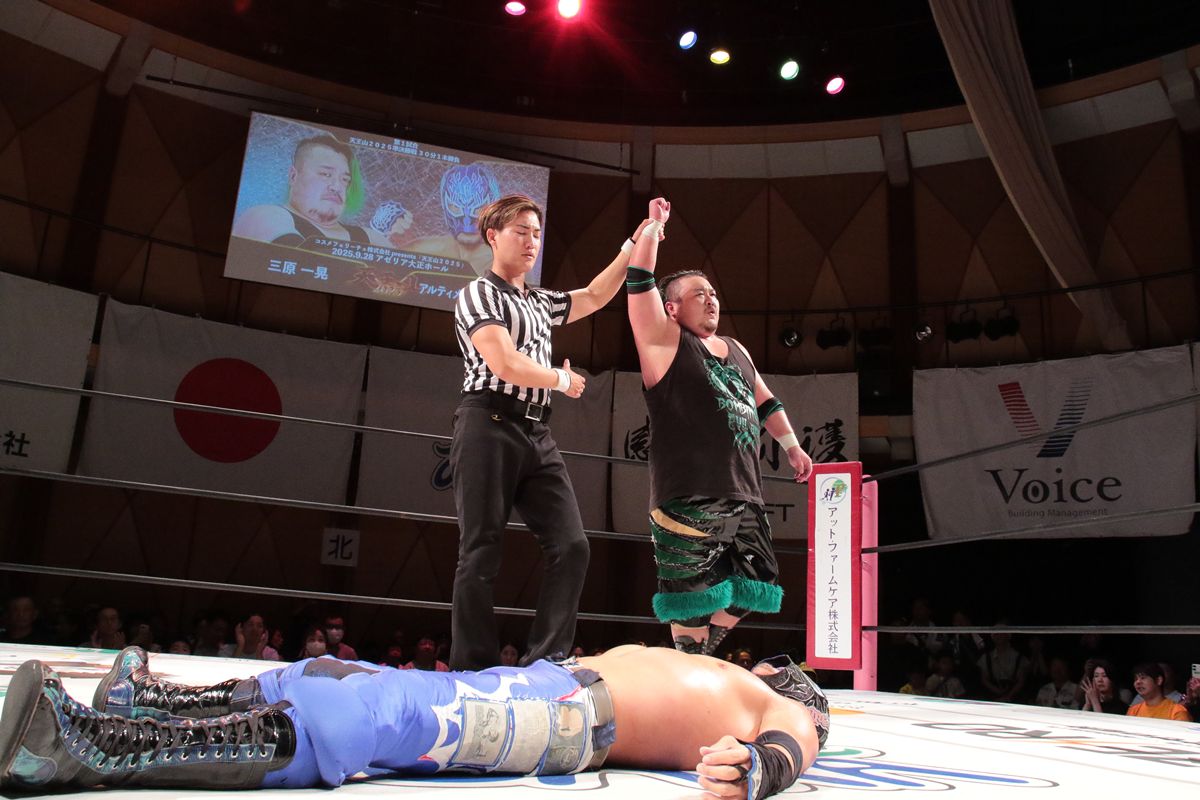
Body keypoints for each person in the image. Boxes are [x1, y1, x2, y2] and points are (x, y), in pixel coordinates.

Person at [0, 645, 827, 799]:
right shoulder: (727, 673)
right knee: (329, 675)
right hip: (548, 687)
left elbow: (791, 750)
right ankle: (150, 704)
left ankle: (89, 750)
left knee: (366, 715)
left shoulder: (784, 703)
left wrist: (756, 768)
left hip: (574, 720)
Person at [449, 195, 664, 671]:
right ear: (492, 237)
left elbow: (595, 295)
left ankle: (546, 659)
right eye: (520, 231)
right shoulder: (478, 294)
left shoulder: (539, 301)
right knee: (480, 549)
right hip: (488, 422)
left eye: (536, 233)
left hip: (535, 430)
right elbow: (503, 362)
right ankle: (472, 667)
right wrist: (560, 378)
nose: (531, 242)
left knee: (572, 545)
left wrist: (635, 242)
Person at [623, 200, 813, 655]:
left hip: (744, 490)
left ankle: (705, 651)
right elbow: (639, 281)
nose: (711, 299)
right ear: (671, 308)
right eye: (698, 294)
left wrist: (791, 446)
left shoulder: (736, 348)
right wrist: (653, 229)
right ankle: (689, 663)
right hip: (688, 492)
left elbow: (765, 400)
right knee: (689, 599)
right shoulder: (663, 342)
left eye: (713, 293)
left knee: (758, 581)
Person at [232, 135, 412, 249]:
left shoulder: (369, 236)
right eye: (326, 174)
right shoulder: (264, 215)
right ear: (293, 176)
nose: (337, 186)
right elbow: (298, 259)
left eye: (345, 179)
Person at [401, 162, 502, 277]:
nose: (467, 221)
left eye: (478, 209)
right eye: (456, 207)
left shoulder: (508, 263)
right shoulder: (420, 249)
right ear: (445, 206)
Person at [1125, 662, 1190, 721]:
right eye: (1136, 679)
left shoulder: (1177, 712)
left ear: (1159, 680)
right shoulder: (1133, 710)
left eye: (1143, 678)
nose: (1138, 682)